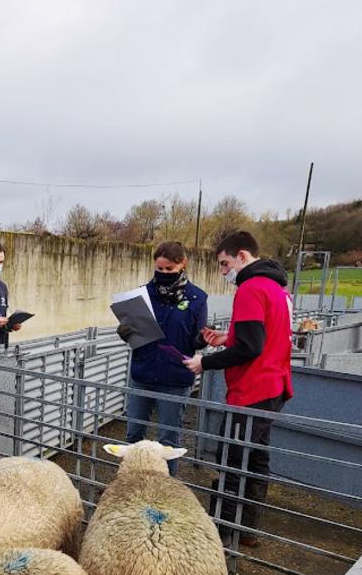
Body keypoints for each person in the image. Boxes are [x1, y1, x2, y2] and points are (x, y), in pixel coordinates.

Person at [183, 230, 293, 546]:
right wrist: (226, 338)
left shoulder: (250, 289)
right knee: (256, 460)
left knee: (232, 459)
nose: (223, 272)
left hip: (252, 391)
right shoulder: (278, 290)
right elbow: (263, 337)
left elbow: (250, 348)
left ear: (242, 256)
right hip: (275, 386)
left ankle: (221, 532)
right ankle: (247, 530)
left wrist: (205, 363)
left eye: (224, 263)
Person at [119, 240, 208, 476]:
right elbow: (134, 333)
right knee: (134, 432)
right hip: (143, 372)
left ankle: (167, 488)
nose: (164, 273)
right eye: (160, 269)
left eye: (169, 269)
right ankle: (129, 481)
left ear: (182, 264)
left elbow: (197, 338)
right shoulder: (142, 295)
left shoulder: (197, 298)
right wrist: (125, 332)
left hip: (175, 378)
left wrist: (202, 340)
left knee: (168, 440)